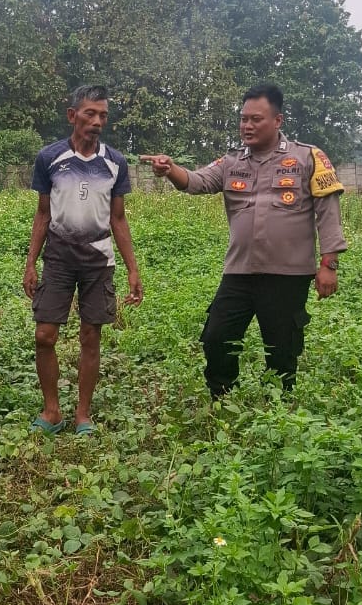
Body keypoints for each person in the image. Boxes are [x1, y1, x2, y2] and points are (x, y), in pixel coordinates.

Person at [140, 83, 346, 396]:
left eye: (256, 119)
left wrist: (329, 263)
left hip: (287, 274)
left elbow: (328, 212)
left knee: (282, 347)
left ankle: (279, 407)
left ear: (278, 121)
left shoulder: (308, 157)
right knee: (216, 336)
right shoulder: (231, 162)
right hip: (240, 272)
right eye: (243, 119)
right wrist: (170, 170)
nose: (247, 126)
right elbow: (197, 181)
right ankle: (222, 398)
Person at [23, 86, 143, 435]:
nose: (97, 121)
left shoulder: (115, 162)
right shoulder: (49, 158)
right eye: (90, 113)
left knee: (91, 335)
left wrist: (133, 269)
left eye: (103, 115)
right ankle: (51, 411)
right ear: (72, 115)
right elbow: (43, 213)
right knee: (45, 335)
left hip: (98, 258)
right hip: (58, 256)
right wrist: (31, 262)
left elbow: (118, 219)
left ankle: (83, 415)